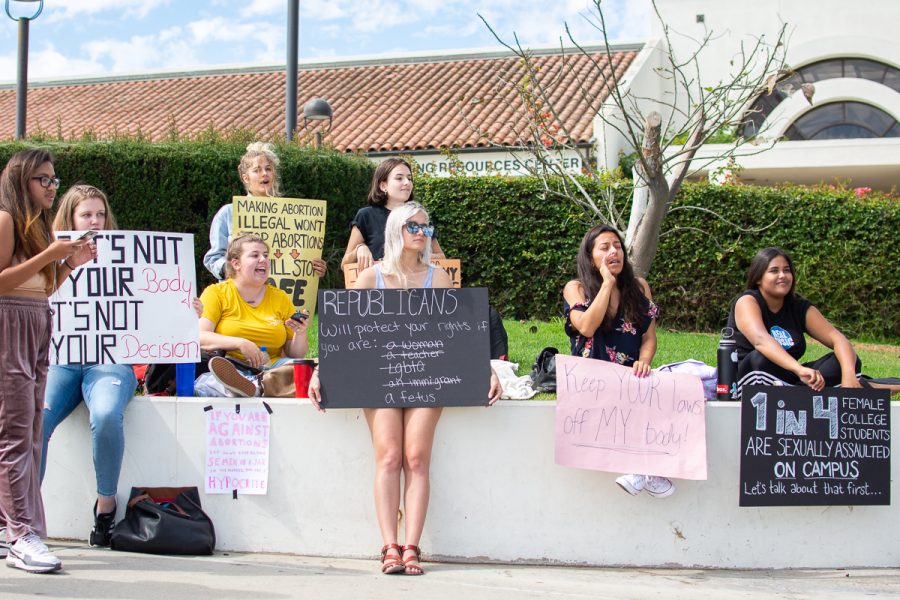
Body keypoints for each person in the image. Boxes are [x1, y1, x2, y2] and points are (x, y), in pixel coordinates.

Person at [311, 202, 501, 576]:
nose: (421, 233)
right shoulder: (371, 278)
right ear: (395, 230)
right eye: (413, 226)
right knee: (389, 457)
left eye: (426, 228)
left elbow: (457, 335)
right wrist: (321, 370)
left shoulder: (438, 278)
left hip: (427, 375)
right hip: (377, 376)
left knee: (416, 458)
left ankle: (411, 545)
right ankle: (388, 546)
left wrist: (487, 368)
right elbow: (345, 335)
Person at [0, 150, 95, 573]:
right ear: (23, 181)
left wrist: (68, 264)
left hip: (36, 320)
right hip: (10, 324)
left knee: (31, 430)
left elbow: (41, 286)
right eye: (44, 180)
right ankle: (21, 533)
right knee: (17, 433)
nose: (52, 187)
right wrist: (51, 254)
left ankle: (14, 529)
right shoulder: (6, 219)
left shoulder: (35, 226)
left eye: (55, 180)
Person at [38, 185, 138, 548]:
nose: (95, 222)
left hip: (109, 362)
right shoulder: (46, 257)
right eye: (86, 215)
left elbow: (153, 306)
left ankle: (106, 506)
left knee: (108, 415)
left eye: (100, 215)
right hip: (61, 360)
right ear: (70, 220)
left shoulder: (131, 258)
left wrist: (180, 308)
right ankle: (22, 516)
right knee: (38, 418)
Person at [562, 225, 672, 498]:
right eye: (605, 247)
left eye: (618, 246)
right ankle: (644, 469)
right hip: (592, 378)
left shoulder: (640, 287)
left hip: (631, 374)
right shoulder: (575, 288)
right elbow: (586, 326)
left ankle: (644, 471)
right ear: (590, 258)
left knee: (661, 388)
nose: (614, 252)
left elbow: (648, 337)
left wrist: (645, 361)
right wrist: (607, 284)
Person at [727, 247, 862, 396]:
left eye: (786, 270)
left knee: (846, 360)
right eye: (774, 271)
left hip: (788, 378)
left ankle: (796, 394)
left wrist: (848, 374)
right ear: (758, 278)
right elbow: (761, 340)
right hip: (750, 375)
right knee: (759, 357)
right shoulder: (747, 302)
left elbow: (838, 339)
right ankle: (804, 394)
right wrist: (798, 369)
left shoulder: (799, 306)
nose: (782, 276)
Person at [196, 233, 309, 397]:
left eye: (265, 255)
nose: (263, 259)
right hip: (231, 368)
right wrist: (240, 343)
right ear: (236, 264)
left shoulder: (280, 297)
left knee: (308, 369)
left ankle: (255, 387)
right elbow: (200, 336)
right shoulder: (216, 293)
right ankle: (257, 387)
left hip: (274, 368)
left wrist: (300, 332)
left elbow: (297, 354)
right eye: (255, 255)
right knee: (207, 382)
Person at [203, 142, 326, 281]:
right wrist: (231, 269)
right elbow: (213, 258)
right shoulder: (228, 214)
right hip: (238, 297)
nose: (264, 174)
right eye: (257, 170)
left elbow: (297, 257)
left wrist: (314, 268)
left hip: (278, 299)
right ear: (245, 178)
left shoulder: (291, 215)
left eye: (268, 169)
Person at [341, 158, 443, 273]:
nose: (407, 182)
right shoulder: (366, 216)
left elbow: (442, 258)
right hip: (378, 289)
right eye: (399, 178)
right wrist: (360, 249)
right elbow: (345, 264)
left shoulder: (420, 217)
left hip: (416, 286)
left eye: (409, 178)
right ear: (383, 186)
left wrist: (416, 256)